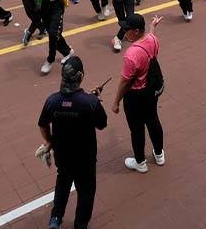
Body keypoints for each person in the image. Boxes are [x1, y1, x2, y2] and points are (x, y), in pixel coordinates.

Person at [38, 56, 108, 229]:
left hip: (63, 155)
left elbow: (42, 124)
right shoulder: (90, 103)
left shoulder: (52, 101)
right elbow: (102, 124)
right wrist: (94, 101)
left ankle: (55, 219)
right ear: (81, 76)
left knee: (62, 182)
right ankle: (80, 224)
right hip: (85, 157)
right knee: (86, 191)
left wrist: (48, 141)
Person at [112, 14, 165, 174]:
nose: (124, 32)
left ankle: (140, 162)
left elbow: (125, 82)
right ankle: (159, 154)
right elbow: (150, 36)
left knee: (136, 129)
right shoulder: (152, 40)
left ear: (135, 31)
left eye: (126, 29)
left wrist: (116, 101)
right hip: (151, 91)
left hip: (135, 96)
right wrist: (153, 27)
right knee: (153, 120)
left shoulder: (131, 54)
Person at [36, 0, 74, 75]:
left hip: (57, 4)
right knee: (53, 32)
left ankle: (50, 59)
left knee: (53, 33)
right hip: (45, 5)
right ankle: (67, 51)